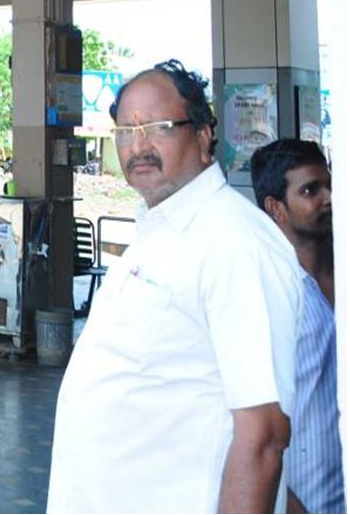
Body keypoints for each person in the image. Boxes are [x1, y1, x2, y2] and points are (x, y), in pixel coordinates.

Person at [47, 61, 301, 514]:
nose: (138, 146)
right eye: (126, 131)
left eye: (158, 128)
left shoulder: (234, 242)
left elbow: (263, 436)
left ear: (203, 136)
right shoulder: (160, 228)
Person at [250, 139, 342, 514]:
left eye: (330, 185)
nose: (329, 199)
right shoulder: (265, 293)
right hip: (304, 500)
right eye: (310, 191)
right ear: (276, 208)